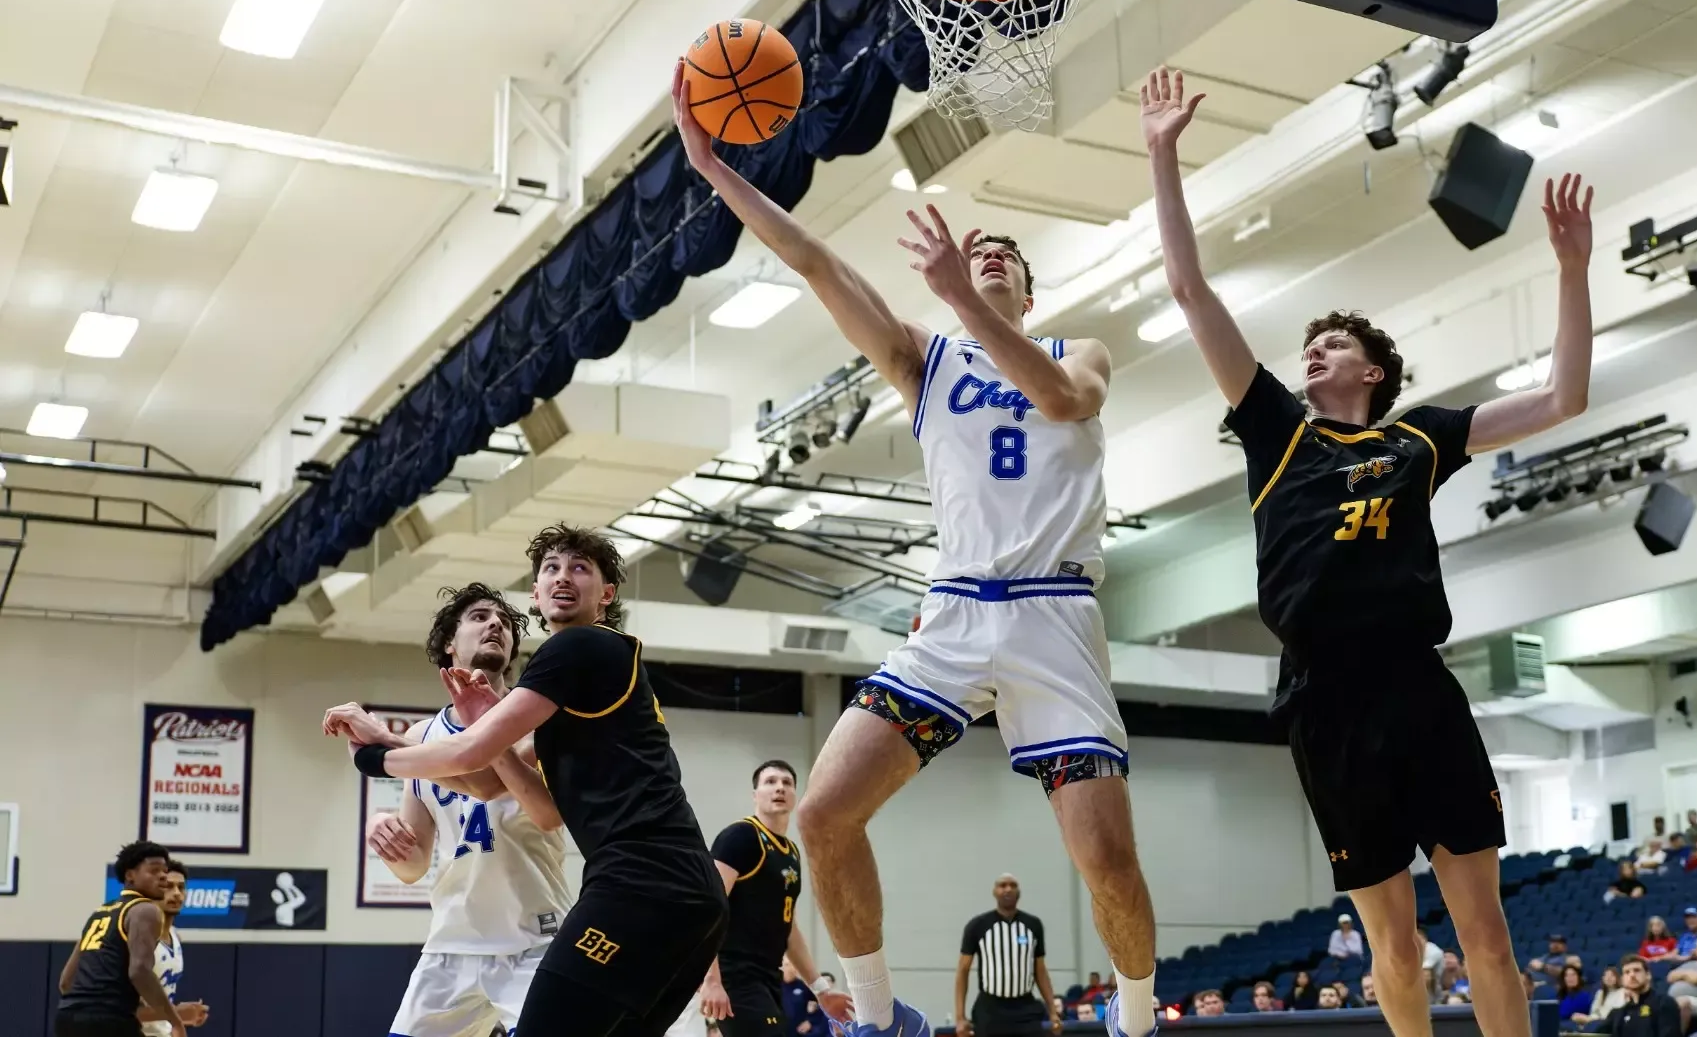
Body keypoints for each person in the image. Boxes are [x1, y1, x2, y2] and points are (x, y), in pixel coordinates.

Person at [673, 63, 1158, 1037]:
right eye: (975, 255)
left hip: (1054, 612)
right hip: (956, 609)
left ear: (1027, 285)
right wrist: (714, 169)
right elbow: (816, 265)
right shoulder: (924, 361)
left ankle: (1140, 1016)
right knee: (820, 814)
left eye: (1004, 257)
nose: (987, 259)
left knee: (1103, 854)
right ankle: (877, 1015)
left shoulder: (1075, 352)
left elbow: (1065, 405)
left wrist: (965, 302)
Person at [1141, 64, 1596, 1037]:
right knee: (1395, 944)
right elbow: (1186, 287)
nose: (1312, 352)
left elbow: (1563, 400)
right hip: (1325, 700)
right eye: (1308, 345)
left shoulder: (1418, 435)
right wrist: (1160, 152)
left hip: (1416, 686)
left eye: (1333, 344)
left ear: (1372, 371)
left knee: (1487, 932)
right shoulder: (1275, 431)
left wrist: (1568, 269)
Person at [331, 525, 729, 1037]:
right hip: (680, 895)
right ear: (536, 594)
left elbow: (471, 752)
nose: (564, 577)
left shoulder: (579, 648)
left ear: (606, 596)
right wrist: (416, 744)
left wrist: (374, 752)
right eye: (551, 569)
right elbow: (492, 783)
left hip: (634, 887)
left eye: (580, 567)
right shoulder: (568, 691)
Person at [333, 583, 571, 1037]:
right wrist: (383, 831)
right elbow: (415, 863)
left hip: (533, 936)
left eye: (503, 621)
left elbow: (484, 782)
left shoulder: (535, 720)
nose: (495, 624)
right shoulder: (425, 733)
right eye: (480, 616)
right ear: (449, 642)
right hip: (452, 940)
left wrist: (385, 742)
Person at [702, 761, 851, 1037]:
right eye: (770, 781)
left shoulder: (791, 853)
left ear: (795, 795)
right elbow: (706, 906)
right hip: (734, 976)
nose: (779, 787)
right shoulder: (740, 836)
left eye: (787, 782)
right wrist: (711, 980)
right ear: (755, 794)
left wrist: (821, 990)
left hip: (769, 978)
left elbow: (788, 928)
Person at [56, 841, 188, 1037]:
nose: (162, 876)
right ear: (130, 875)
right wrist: (176, 1021)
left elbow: (66, 982)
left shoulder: (100, 913)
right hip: (109, 1020)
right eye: (154, 871)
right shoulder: (145, 910)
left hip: (68, 1018)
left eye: (164, 871)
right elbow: (139, 971)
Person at [955, 875, 1061, 1037]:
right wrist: (960, 1017)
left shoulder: (1033, 925)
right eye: (1002, 885)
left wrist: (1053, 1011)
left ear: (1019, 891)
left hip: (1025, 1007)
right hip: (990, 1009)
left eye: (1013, 885)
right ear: (994, 892)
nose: (1008, 889)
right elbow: (963, 971)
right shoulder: (978, 925)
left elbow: (1040, 970)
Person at [139, 860, 208, 1037]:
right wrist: (177, 1012)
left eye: (181, 887)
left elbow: (160, 1007)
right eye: (168, 886)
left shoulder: (175, 936)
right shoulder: (139, 939)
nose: (176, 893)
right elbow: (120, 1012)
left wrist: (180, 1020)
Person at [1608, 956, 1680, 1037]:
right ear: (1623, 980)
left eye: (1637, 970)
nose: (1632, 975)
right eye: (1627, 972)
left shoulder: (1664, 1003)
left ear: (1648, 975)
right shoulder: (1618, 1013)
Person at [1571, 966, 1626, 1032]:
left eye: (1612, 975)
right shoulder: (1600, 993)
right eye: (1606, 975)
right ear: (1603, 978)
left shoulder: (1622, 992)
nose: (1609, 978)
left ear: (1617, 978)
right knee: (1575, 1016)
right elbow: (1594, 1011)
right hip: (1595, 1020)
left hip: (1608, 1022)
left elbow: (1616, 1013)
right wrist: (1590, 1018)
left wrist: (1589, 1019)